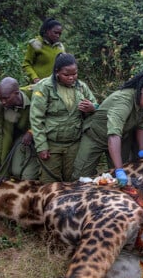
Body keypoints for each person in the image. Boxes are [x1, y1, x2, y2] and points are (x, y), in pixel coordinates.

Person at [72, 69, 143, 185]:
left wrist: (141, 150)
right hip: (96, 137)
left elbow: (141, 124)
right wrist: (119, 169)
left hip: (121, 139)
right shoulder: (123, 101)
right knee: (80, 176)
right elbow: (113, 135)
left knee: (118, 178)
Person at [30, 53, 98, 182]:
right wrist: (41, 146)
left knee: (72, 181)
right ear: (57, 72)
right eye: (66, 75)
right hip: (51, 145)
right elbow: (36, 119)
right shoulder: (44, 87)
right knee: (50, 183)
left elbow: (96, 105)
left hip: (74, 144)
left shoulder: (81, 87)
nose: (71, 78)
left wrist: (93, 107)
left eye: (75, 74)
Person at [0, 77, 41, 181]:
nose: (3, 102)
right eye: (0, 99)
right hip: (25, 139)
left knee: (28, 177)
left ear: (17, 93)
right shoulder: (8, 107)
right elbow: (7, 136)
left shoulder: (36, 93)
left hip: (43, 136)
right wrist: (2, 171)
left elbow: (49, 117)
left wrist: (31, 131)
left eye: (6, 98)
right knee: (16, 172)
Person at [22, 18, 66, 84]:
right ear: (47, 31)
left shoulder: (60, 47)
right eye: (55, 33)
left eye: (59, 34)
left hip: (56, 85)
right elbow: (26, 64)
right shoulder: (35, 44)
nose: (58, 36)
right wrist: (35, 78)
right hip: (39, 85)